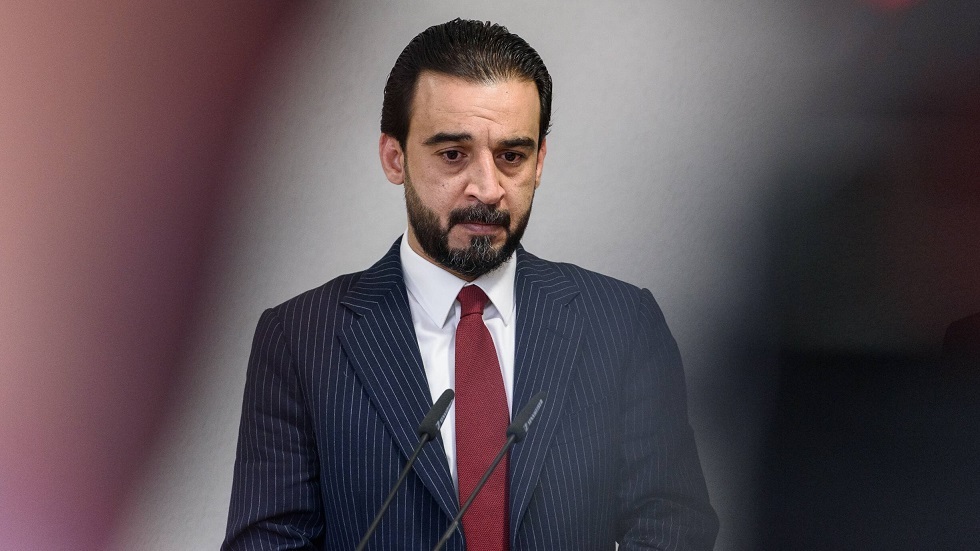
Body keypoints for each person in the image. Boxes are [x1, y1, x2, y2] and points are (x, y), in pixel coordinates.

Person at [223, 18, 718, 551]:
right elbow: (267, 543)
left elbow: (673, 524)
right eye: (453, 154)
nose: (487, 188)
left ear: (539, 162)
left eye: (511, 157)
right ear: (394, 157)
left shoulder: (621, 324)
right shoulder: (301, 337)